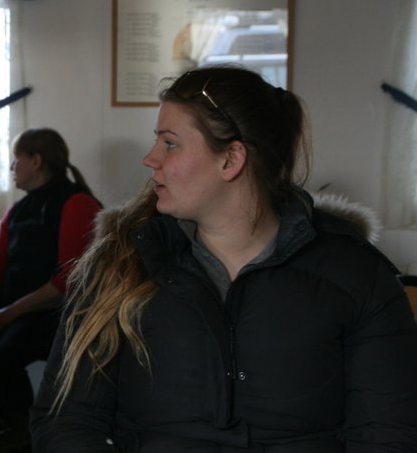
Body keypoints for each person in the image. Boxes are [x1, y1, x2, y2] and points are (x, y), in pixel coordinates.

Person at [30, 66, 417, 451]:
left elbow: (389, 432)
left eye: (170, 143)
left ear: (231, 159)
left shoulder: (356, 275)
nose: (150, 159)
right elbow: (66, 420)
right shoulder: (119, 264)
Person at [0, 127, 101, 450]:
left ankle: (26, 437)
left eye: (16, 160)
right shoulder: (17, 210)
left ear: (36, 161)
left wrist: (4, 315)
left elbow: (67, 284)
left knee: (4, 359)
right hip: (17, 310)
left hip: (58, 314)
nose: (12, 168)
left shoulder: (77, 203)